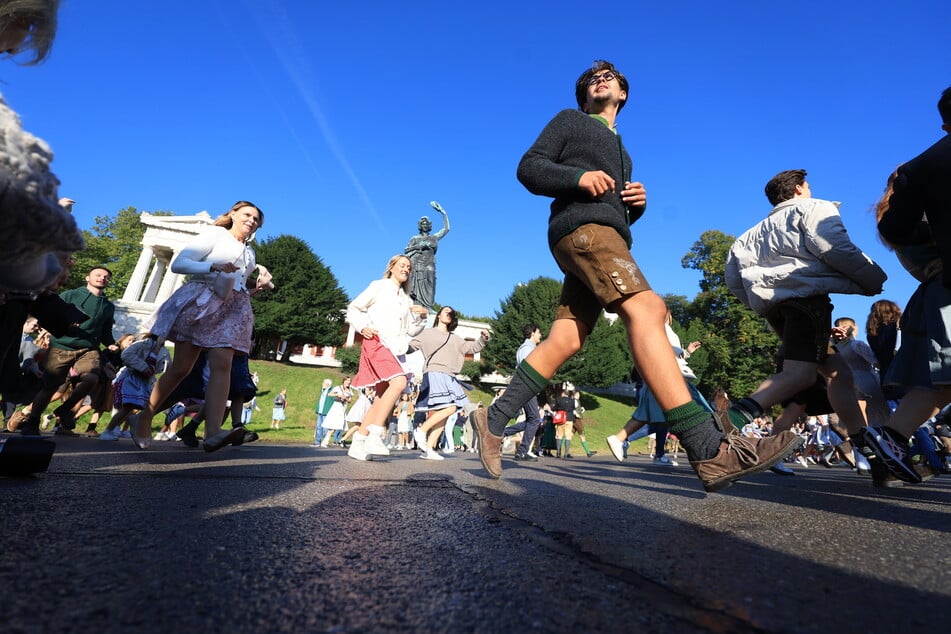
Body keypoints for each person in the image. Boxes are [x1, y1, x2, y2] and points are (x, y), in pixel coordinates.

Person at [471, 60, 803, 491]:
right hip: (586, 233)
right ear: (584, 95)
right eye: (593, 79)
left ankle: (493, 419)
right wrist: (577, 176)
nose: (601, 80)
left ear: (623, 94)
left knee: (567, 339)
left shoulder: (623, 152)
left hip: (603, 235)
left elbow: (614, 209)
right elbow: (529, 167)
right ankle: (708, 448)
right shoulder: (571, 121)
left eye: (609, 77)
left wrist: (635, 208)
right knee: (649, 308)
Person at [724, 169, 887, 468]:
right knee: (801, 375)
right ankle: (730, 418)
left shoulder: (747, 236)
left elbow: (734, 280)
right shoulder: (813, 208)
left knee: (839, 373)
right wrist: (872, 278)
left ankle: (864, 442)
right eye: (808, 185)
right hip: (806, 302)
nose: (810, 189)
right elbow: (834, 247)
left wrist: (760, 302)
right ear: (798, 188)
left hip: (776, 309)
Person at [130, 201, 272, 452]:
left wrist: (258, 282)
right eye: (247, 215)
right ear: (233, 215)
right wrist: (211, 266)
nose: (252, 220)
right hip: (202, 303)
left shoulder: (250, 252)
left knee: (223, 365)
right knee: (181, 369)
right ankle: (145, 415)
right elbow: (179, 263)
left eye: (256, 218)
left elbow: (235, 281)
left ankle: (213, 432)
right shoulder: (215, 234)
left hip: (233, 308)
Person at [872, 100, 951, 483]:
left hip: (930, 296)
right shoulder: (922, 220)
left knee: (937, 382)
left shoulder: (896, 223)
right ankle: (890, 441)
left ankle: (889, 441)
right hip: (943, 292)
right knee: (941, 381)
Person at [345, 254, 427, 461]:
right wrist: (362, 326)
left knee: (382, 398)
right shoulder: (378, 286)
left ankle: (359, 442)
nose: (406, 269)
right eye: (402, 265)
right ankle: (375, 433)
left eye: (409, 267)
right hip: (377, 341)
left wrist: (422, 318)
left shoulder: (406, 299)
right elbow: (354, 307)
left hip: (396, 349)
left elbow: (410, 330)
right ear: (391, 267)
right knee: (399, 382)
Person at [18, 266, 116, 436]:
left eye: (106, 276)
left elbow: (105, 331)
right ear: (87, 278)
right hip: (61, 346)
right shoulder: (70, 295)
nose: (102, 278)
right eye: (98, 275)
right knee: (50, 387)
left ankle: (65, 409)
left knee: (92, 377)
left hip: (88, 348)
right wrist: (65, 322)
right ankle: (32, 421)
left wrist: (111, 344)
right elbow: (48, 315)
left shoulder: (108, 306)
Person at [607, 309, 708, 467]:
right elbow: (667, 352)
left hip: (659, 376)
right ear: (668, 314)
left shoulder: (657, 328)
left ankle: (639, 446)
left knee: (657, 419)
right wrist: (683, 353)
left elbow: (669, 353)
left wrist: (686, 352)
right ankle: (708, 453)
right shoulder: (664, 329)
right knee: (700, 410)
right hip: (666, 377)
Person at [409, 305, 488, 460]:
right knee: (451, 407)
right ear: (438, 315)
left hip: (450, 375)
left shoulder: (455, 338)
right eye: (446, 311)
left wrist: (483, 339)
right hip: (435, 372)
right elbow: (410, 347)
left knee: (444, 414)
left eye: (451, 313)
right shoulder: (427, 333)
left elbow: (471, 348)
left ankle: (429, 449)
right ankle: (422, 430)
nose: (448, 314)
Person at [501, 324, 543, 461]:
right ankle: (522, 451)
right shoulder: (527, 348)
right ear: (532, 333)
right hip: (526, 386)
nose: (540, 335)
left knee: (533, 419)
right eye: (539, 333)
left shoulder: (527, 348)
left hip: (526, 386)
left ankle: (503, 433)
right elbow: (527, 367)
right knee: (535, 419)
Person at [404, 202, 449, 311]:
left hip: (430, 265)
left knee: (431, 285)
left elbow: (446, 229)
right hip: (417, 265)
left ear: (429, 226)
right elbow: (406, 251)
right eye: (423, 224)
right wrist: (420, 246)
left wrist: (443, 213)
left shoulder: (434, 237)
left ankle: (428, 307)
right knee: (417, 288)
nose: (425, 225)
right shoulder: (415, 238)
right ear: (420, 226)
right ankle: (417, 306)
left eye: (426, 224)